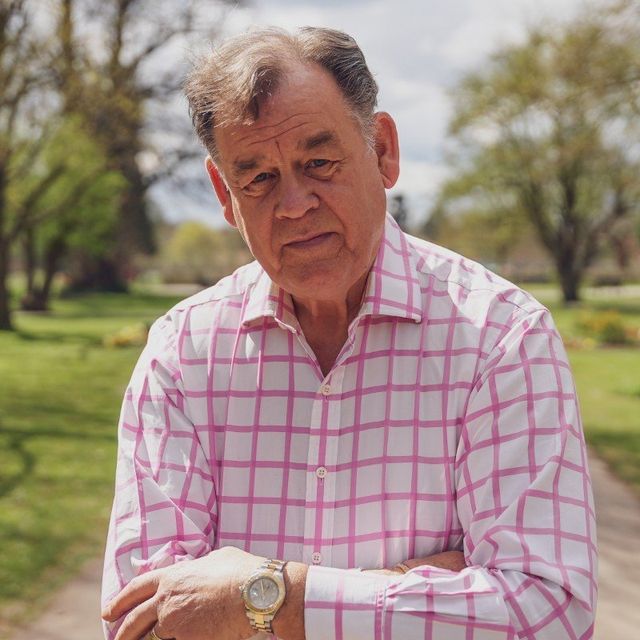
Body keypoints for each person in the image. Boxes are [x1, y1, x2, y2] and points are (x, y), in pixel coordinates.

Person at [101, 26, 597, 640]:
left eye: (318, 162)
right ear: (224, 196)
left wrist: (270, 599)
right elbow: (143, 624)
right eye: (257, 177)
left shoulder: (501, 337)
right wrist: (422, 589)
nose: (294, 203)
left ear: (383, 150)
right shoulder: (182, 354)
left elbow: (546, 614)